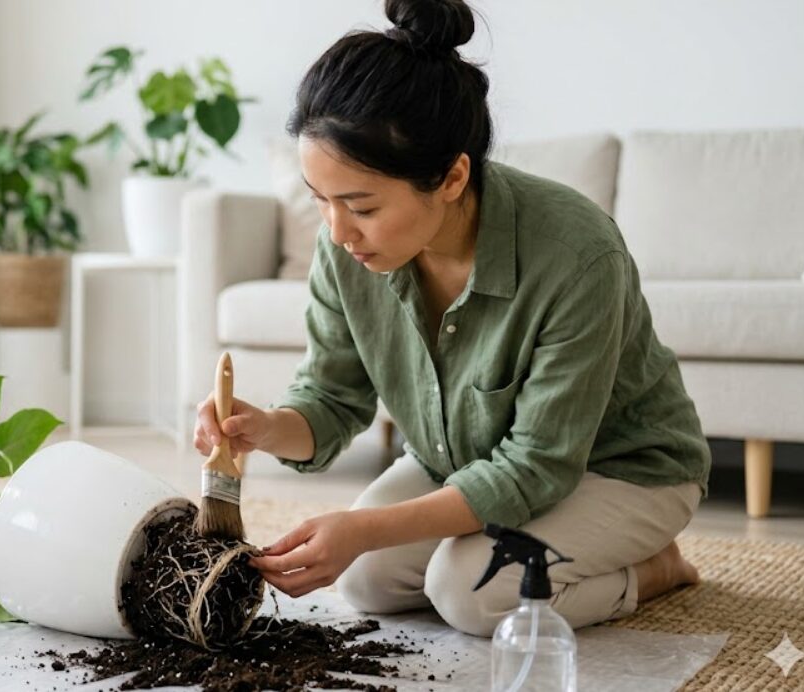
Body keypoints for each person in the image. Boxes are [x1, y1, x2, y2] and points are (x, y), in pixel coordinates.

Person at [192, 0, 711, 637]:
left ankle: (652, 569)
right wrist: (265, 428)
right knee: (366, 581)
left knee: (469, 594)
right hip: (466, 460)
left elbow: (538, 466)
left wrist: (362, 527)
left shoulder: (577, 255)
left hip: (621, 471)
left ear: (452, 177)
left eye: (361, 206)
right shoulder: (345, 248)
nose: (338, 231)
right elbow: (330, 397)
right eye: (320, 200)